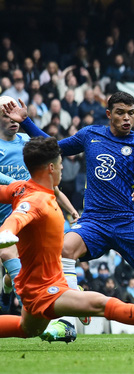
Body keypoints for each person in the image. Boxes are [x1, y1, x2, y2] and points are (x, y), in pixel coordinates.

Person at [3, 93, 134, 346]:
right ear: (109, 114)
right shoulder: (90, 135)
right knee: (64, 249)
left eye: (131, 113)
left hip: (128, 220)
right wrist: (27, 122)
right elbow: (54, 148)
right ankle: (66, 323)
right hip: (94, 220)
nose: (126, 118)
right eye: (120, 112)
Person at [0, 96, 79, 309]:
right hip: (3, 213)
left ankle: (31, 307)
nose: (12, 120)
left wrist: (72, 210)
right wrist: (18, 185)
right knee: (11, 259)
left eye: (16, 115)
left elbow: (54, 152)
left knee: (15, 258)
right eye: (7, 115)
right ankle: (9, 289)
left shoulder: (26, 141)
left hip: (29, 214)